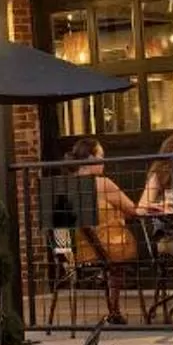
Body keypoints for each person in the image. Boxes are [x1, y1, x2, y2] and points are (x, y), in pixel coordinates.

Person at [61, 137, 146, 323]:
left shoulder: (64, 187)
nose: (103, 162)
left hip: (73, 252)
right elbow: (132, 209)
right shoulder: (102, 183)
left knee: (108, 220)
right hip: (107, 248)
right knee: (117, 252)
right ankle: (113, 309)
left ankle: (104, 277)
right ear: (91, 159)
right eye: (101, 156)